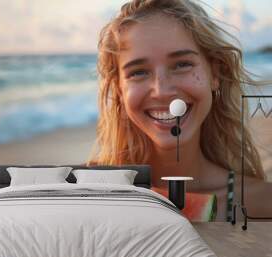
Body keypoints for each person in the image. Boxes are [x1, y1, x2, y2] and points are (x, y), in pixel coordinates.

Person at [88, 0, 272, 221]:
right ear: (119, 89)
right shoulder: (86, 192)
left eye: (182, 64)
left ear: (214, 74)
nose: (161, 91)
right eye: (138, 72)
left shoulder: (263, 203)